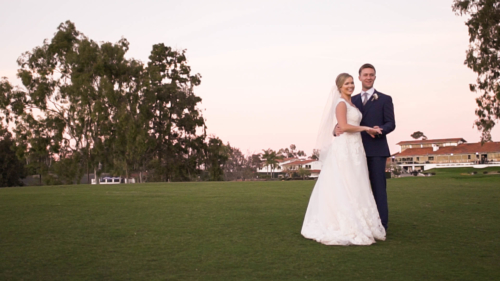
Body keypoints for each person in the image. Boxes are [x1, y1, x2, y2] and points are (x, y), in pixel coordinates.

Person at [301, 73, 386, 246]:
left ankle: (362, 220)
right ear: (339, 87)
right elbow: (345, 126)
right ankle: (344, 222)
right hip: (345, 148)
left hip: (355, 148)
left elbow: (345, 123)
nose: (351, 86)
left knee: (356, 183)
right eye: (347, 83)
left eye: (352, 83)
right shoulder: (341, 103)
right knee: (345, 182)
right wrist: (366, 128)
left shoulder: (351, 103)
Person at [337, 64, 396, 230]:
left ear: (375, 77)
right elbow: (344, 121)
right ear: (360, 77)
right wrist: (336, 129)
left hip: (376, 150)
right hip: (354, 151)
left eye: (372, 75)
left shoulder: (385, 99)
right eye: (365, 75)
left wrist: (380, 130)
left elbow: (391, 123)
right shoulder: (351, 99)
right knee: (357, 188)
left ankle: (381, 224)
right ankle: (361, 222)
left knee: (378, 188)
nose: (369, 77)